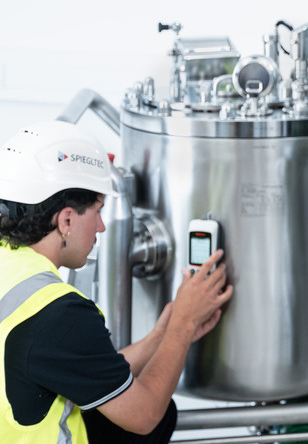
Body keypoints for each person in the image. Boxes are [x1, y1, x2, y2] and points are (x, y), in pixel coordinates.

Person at [0, 120, 234, 443]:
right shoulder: (57, 313)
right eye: (97, 212)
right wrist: (184, 323)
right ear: (66, 219)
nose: (101, 227)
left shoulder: (13, 275)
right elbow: (145, 415)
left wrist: (161, 335)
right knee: (160, 416)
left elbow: (80, 365)